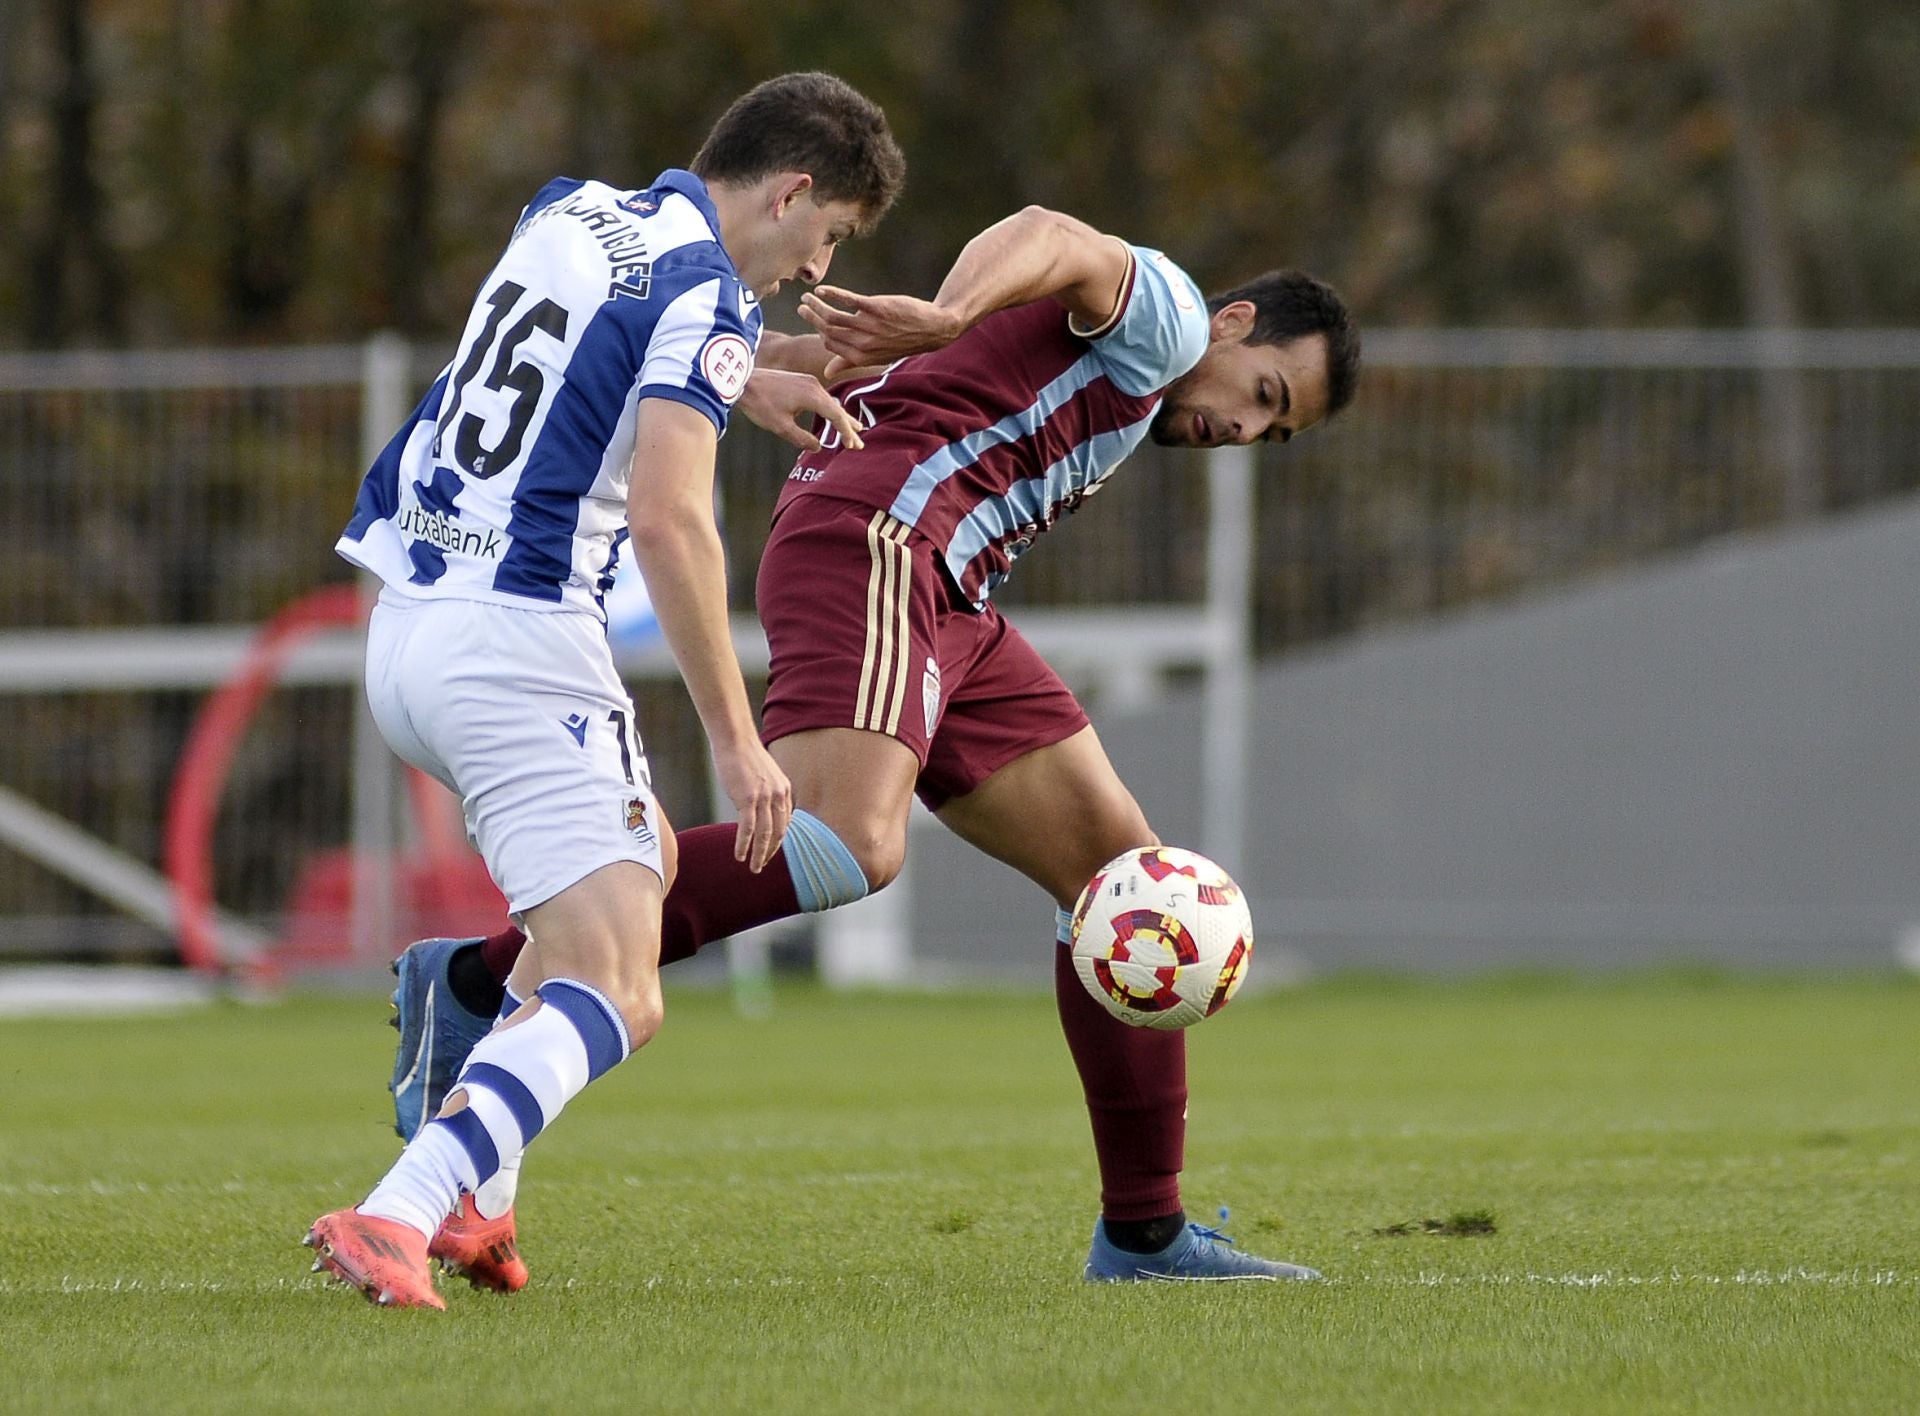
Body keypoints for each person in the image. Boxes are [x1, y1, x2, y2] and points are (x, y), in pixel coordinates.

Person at [394, 204, 1359, 1289]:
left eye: (1273, 435)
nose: (1244, 431)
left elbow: (825, 359)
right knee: (846, 841)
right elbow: (1055, 234)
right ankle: (482, 981)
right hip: (886, 541)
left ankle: (1146, 1235)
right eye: (1265, 395)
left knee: (1118, 878)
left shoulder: (1105, 374)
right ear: (1234, 326)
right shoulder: (1173, 323)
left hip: (951, 587)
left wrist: (758, 361)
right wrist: (945, 313)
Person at [303, 71, 905, 1310]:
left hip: (408, 626)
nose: (814, 265)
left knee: (601, 922)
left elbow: (603, 345)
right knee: (622, 985)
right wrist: (740, 741)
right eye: (830, 235)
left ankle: (478, 1200)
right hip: (519, 645)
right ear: (793, 189)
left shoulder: (574, 211)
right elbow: (675, 519)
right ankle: (398, 1212)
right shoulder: (706, 295)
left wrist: (755, 371)